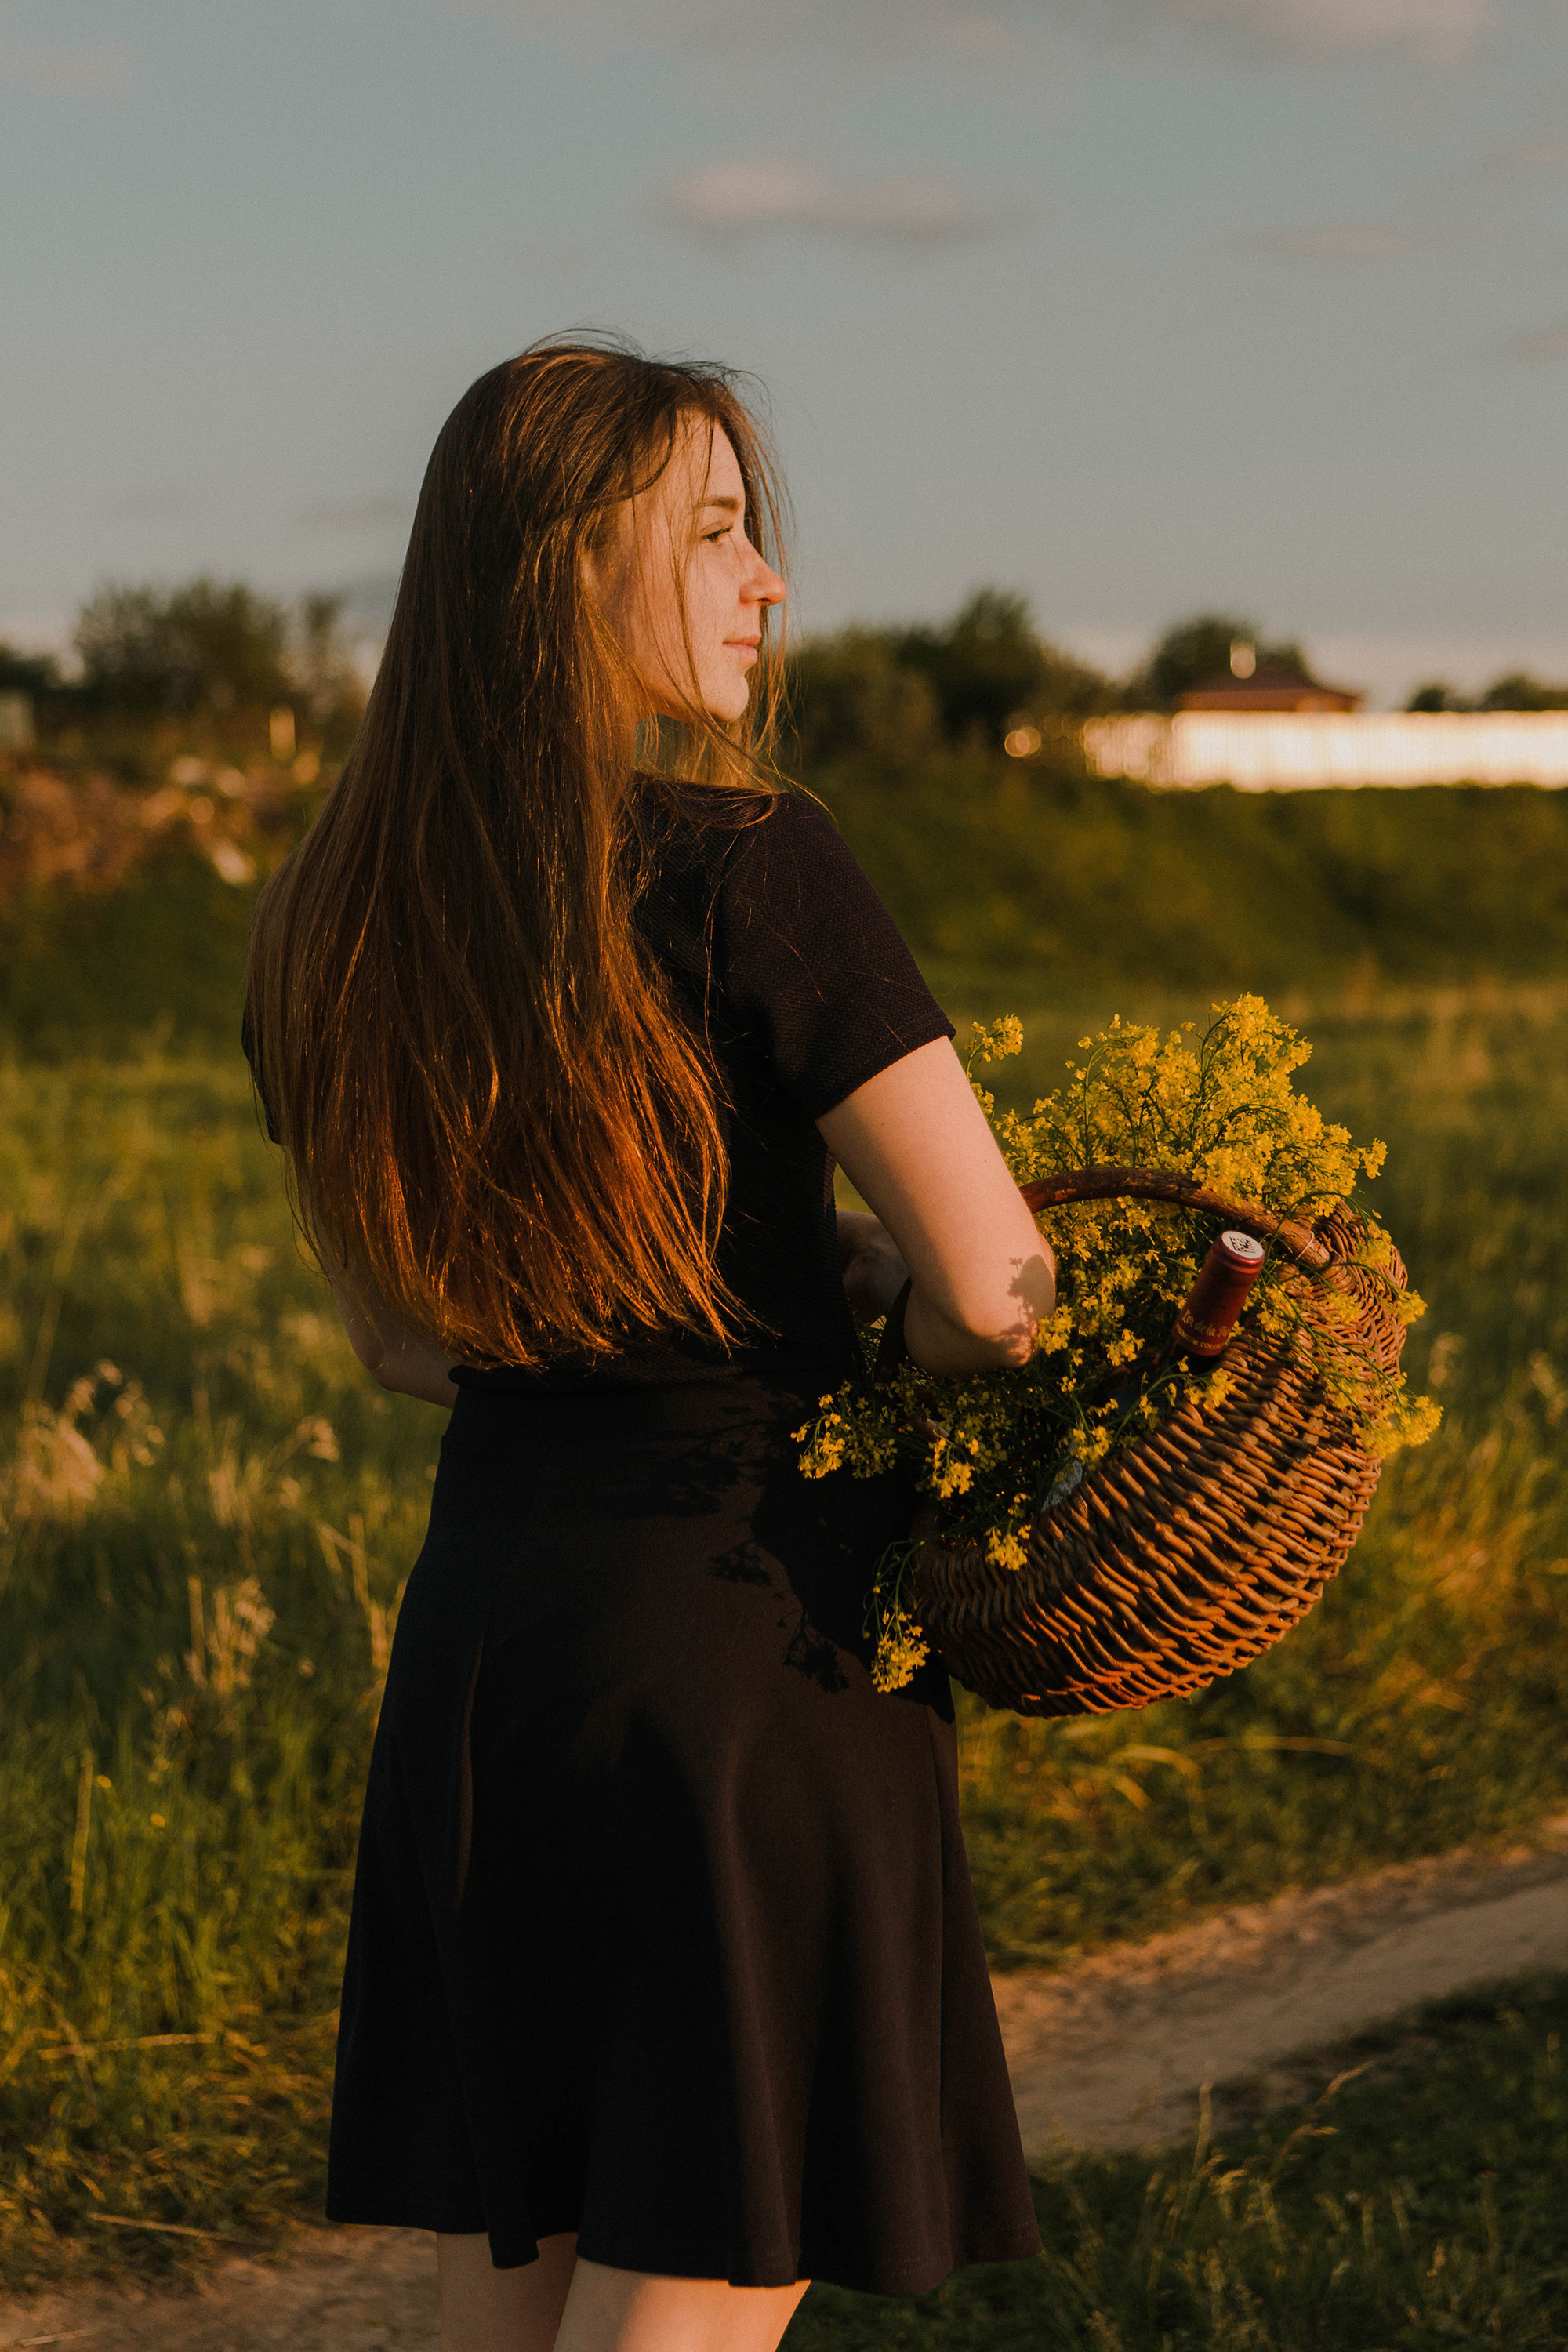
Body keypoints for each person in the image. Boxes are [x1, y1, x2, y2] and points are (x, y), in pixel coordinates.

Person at [244, 338, 1054, 2352]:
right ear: (558, 571)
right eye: (711, 531)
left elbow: (411, 1346)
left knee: (504, 2321)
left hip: (485, 1674)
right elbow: (997, 1289)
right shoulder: (751, 863)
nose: (767, 579)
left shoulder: (327, 925)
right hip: (748, 1655)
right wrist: (876, 1309)